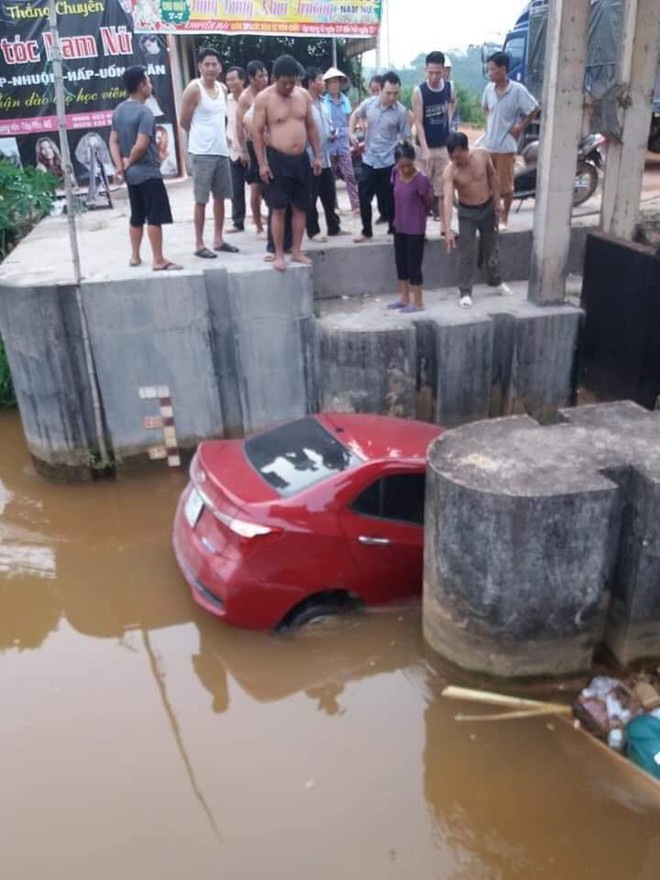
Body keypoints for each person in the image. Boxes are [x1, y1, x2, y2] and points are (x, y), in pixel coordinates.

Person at [252, 54, 322, 271]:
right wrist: (262, 163)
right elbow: (256, 131)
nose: (289, 86)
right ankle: (279, 254)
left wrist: (317, 155)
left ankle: (297, 250)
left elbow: (311, 127)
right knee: (279, 208)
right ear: (275, 78)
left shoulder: (302, 96)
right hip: (278, 159)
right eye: (285, 82)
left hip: (301, 159)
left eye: (293, 82)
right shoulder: (264, 98)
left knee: (301, 207)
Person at [109, 65, 181, 271]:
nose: (150, 85)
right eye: (148, 81)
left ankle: (135, 256)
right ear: (141, 86)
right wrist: (129, 162)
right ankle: (158, 259)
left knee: (136, 215)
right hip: (148, 173)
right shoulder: (145, 112)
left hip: (131, 176)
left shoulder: (119, 110)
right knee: (154, 217)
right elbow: (141, 145)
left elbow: (113, 141)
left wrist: (120, 167)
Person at [180, 47, 238, 259]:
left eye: (215, 64)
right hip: (201, 153)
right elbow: (184, 121)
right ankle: (198, 243)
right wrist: (200, 137)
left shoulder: (222, 89)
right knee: (201, 200)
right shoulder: (193, 89)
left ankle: (218, 239)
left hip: (221, 151)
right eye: (207, 64)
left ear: (219, 67)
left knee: (221, 198)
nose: (211, 68)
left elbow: (220, 118)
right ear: (200, 67)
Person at [442, 131, 512, 308]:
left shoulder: (482, 154)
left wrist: (498, 202)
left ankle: (495, 280)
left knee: (491, 247)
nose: (456, 161)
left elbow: (493, 178)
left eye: (459, 156)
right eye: (452, 158)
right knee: (466, 252)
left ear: (466, 149)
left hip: (487, 207)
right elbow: (448, 199)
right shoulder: (450, 171)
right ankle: (465, 292)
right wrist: (448, 229)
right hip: (467, 212)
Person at [350, 70, 411, 242]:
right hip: (369, 159)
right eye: (388, 93)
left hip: (390, 162)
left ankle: (394, 229)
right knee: (364, 195)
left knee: (391, 197)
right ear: (380, 90)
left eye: (396, 93)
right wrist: (351, 132)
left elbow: (406, 136)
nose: (392, 97)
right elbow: (355, 115)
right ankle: (366, 231)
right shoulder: (369, 105)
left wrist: (402, 152)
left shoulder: (401, 112)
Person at [482, 50, 539, 230]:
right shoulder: (488, 89)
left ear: (503, 70)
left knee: (506, 186)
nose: (489, 73)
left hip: (506, 147)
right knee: (488, 185)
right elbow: (485, 108)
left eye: (492, 70)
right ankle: (491, 217)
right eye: (488, 70)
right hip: (489, 144)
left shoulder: (517, 90)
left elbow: (534, 108)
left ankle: (504, 218)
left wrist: (520, 127)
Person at [386, 142, 433, 313]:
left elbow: (429, 200)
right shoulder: (394, 173)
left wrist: (420, 216)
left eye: (409, 165)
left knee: (414, 265)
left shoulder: (421, 179)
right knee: (401, 263)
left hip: (415, 228)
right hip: (400, 225)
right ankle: (404, 298)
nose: (405, 169)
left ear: (414, 161)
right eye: (402, 166)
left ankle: (418, 302)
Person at [412, 51, 455, 222]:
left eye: (438, 72)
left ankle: (445, 227)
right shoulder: (419, 92)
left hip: (443, 146)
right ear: (425, 71)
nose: (434, 76)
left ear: (444, 71)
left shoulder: (450, 87)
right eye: (431, 72)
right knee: (422, 189)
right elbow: (419, 123)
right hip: (424, 147)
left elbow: (452, 101)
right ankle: (418, 226)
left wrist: (448, 121)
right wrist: (425, 150)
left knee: (444, 190)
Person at [302, 67, 341, 242]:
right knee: (311, 195)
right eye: (320, 80)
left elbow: (327, 125)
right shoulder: (304, 103)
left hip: (325, 156)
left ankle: (334, 226)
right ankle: (313, 230)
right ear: (310, 83)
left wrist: (331, 133)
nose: (324, 83)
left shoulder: (323, 102)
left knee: (329, 193)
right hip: (310, 157)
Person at [236, 60, 269, 237]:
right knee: (255, 188)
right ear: (251, 78)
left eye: (266, 75)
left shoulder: (269, 93)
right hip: (253, 145)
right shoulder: (245, 98)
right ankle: (258, 226)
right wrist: (243, 151)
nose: (264, 79)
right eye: (260, 76)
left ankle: (272, 219)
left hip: (270, 144)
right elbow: (240, 126)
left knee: (270, 185)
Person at [322, 66, 359, 214]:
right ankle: (334, 207)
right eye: (331, 83)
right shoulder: (324, 101)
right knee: (330, 177)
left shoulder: (345, 100)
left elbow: (349, 120)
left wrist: (351, 134)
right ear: (327, 85)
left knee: (349, 174)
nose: (334, 85)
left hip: (343, 142)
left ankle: (355, 206)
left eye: (336, 82)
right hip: (329, 142)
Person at [225, 65, 247, 233]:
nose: (230, 82)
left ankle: (264, 219)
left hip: (251, 149)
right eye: (228, 80)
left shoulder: (251, 99)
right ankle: (238, 222)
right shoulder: (226, 100)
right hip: (233, 150)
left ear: (242, 80)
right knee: (236, 189)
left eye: (233, 79)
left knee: (260, 188)